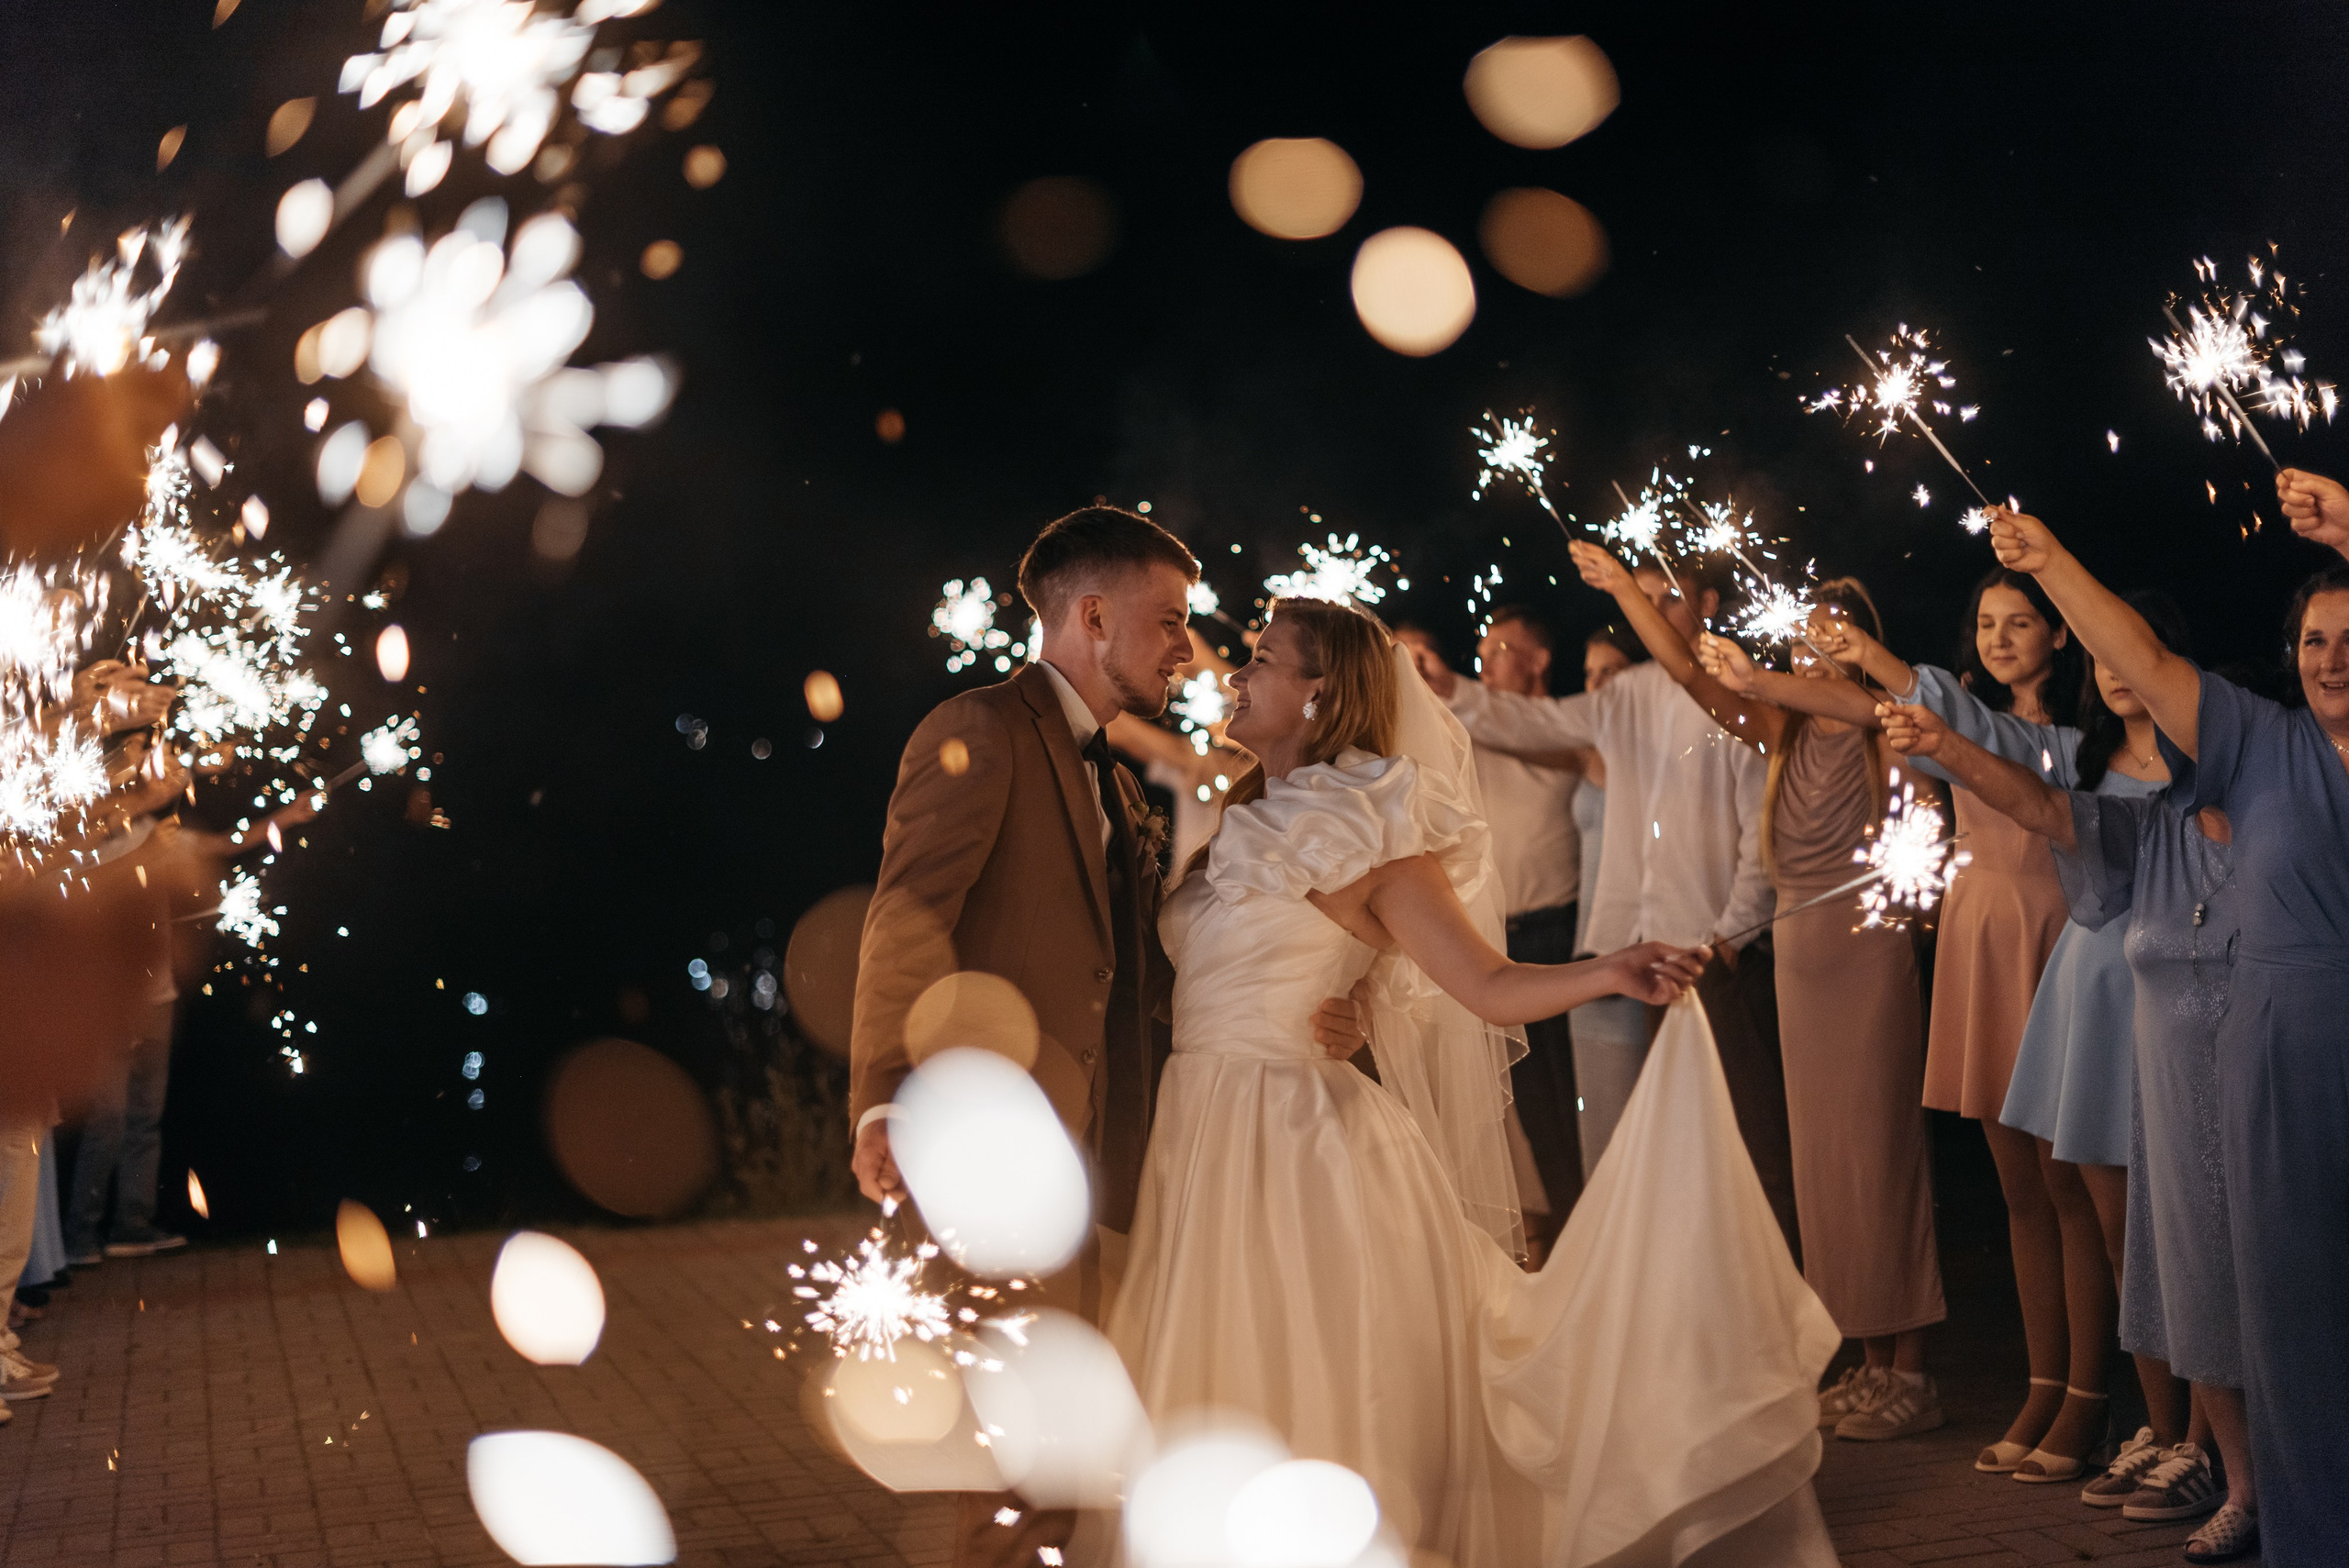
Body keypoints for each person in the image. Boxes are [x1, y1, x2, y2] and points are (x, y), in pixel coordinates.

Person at [1110, 596, 1842, 1566]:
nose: (1237, 674)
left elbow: (1485, 984)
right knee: (1219, 1387)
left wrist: (1610, 968)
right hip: (1200, 1137)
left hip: (1302, 1148)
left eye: (1261, 658)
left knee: (1323, 1386)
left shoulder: (1375, 826)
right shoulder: (1235, 820)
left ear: (1320, 693)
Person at [845, 506, 1364, 1568]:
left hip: (1100, 1159)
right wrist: (887, 1096)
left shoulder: (1118, 780)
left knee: (1055, 1455)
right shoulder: (982, 730)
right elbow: (907, 919)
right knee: (1003, 1451)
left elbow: (1135, 973)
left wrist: (1323, 995)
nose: (1186, 646)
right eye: (1168, 620)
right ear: (1090, 615)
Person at [1986, 480, 2349, 1567]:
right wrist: (2049, 563)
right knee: (2286, 1325)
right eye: (2318, 638)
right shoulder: (2263, 745)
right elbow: (2139, 664)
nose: (2334, 655)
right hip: (2268, 1069)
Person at [1705, 571, 2118, 1481]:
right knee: (2019, 1192)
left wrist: (1797, 671)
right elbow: (1875, 704)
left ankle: (2091, 1394)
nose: (1999, 635)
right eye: (1984, 620)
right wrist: (1758, 674)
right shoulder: (1955, 711)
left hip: (2050, 939)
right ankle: (2042, 1384)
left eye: (2019, 621)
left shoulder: (2074, 738)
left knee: (2071, 1188)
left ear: (2060, 635)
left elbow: (1889, 703)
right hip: (1980, 941)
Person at [1575, 540, 1947, 1442]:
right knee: (1823, 1170)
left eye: (1829, 641)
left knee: (1877, 1156)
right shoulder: (1779, 734)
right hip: (1797, 965)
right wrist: (1626, 587)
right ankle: (1864, 1354)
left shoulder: (1881, 724)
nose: (1806, 656)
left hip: (1866, 963)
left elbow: (1893, 761)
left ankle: (1912, 1369)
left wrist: (1779, 681)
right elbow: (1685, 674)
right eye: (1801, 641)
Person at [1882, 700, 2258, 1563]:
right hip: (2095, 980)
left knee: (2185, 1228)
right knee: (2116, 1224)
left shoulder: (2219, 770)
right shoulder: (2079, 758)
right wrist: (1933, 732)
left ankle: (2205, 1446)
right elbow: (2033, 797)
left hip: (2173, 995)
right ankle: (2161, 1427)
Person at [1411, 558, 1799, 1258]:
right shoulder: (1627, 695)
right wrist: (1450, 689)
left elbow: (1758, 834)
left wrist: (1731, 937)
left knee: (1735, 1137)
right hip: (1621, 942)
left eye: (1665, 598)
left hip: (1708, 952)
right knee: (1622, 1137)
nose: (1650, 611)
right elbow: (1538, 722)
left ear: (1708, 602)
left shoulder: (1734, 698)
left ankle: (1764, 1292)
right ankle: (1632, 1285)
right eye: (1641, 599)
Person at [1394, 613, 1586, 1227]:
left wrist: (1451, 690)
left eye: (1500, 650)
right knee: (1535, 1111)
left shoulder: (1563, 727)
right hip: (1501, 938)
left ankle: (1603, 1229)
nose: (1486, 663)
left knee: (1581, 1100)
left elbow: (1543, 745)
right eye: (1479, 652)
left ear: (1538, 659)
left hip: (1564, 928)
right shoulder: (1468, 726)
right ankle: (1567, 1230)